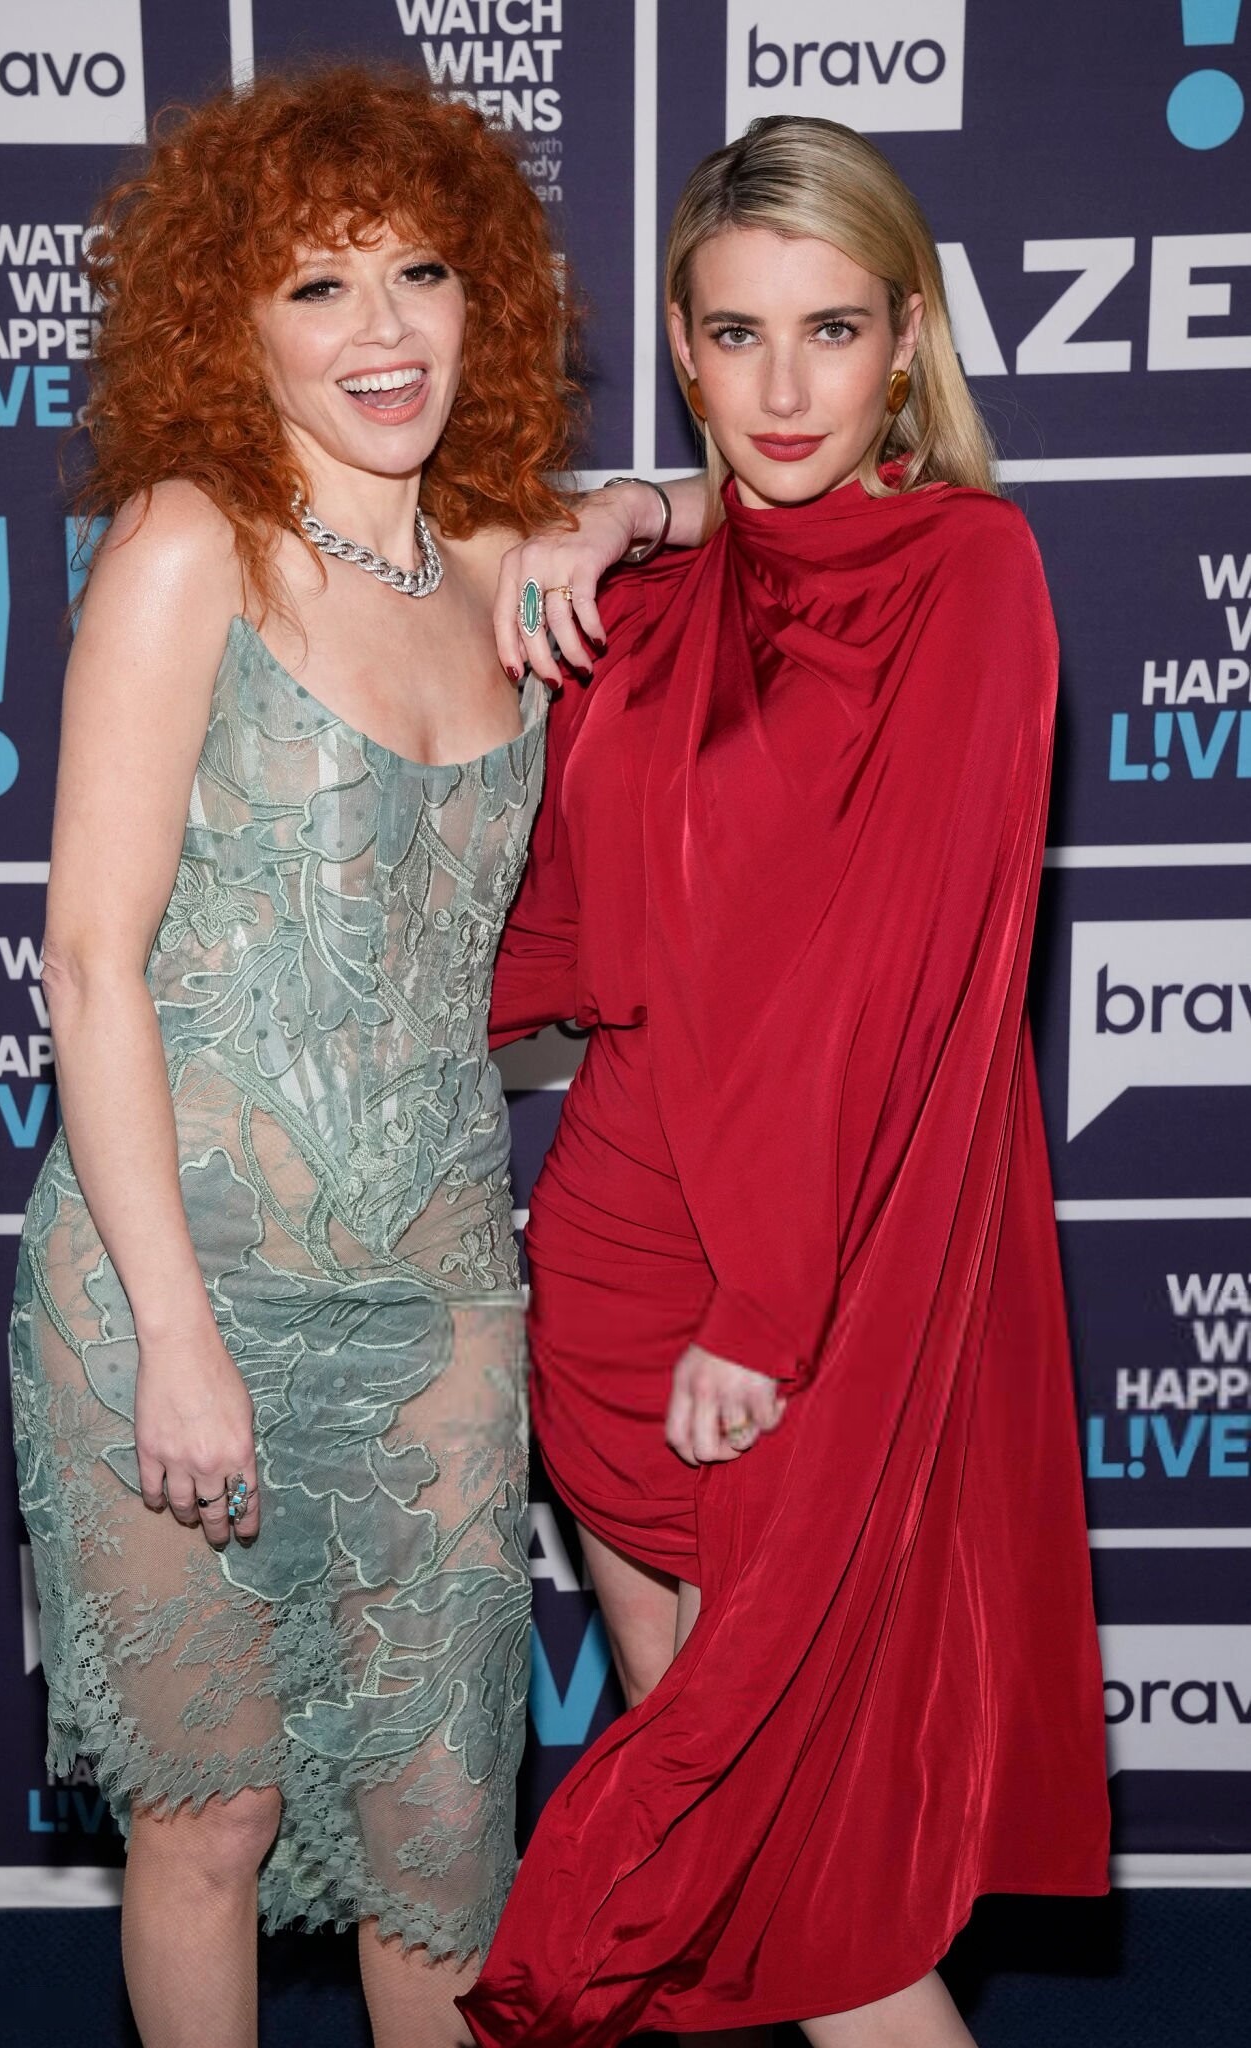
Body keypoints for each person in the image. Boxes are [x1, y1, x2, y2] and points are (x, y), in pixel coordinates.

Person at [7, 66, 693, 2048]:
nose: (380, 329)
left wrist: (630, 504)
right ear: (233, 323)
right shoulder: (188, 546)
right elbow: (89, 964)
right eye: (317, 286)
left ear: (485, 300)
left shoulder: (506, 558)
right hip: (170, 1286)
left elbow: (802, 489)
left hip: (438, 1303)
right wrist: (174, 1337)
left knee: (442, 1840)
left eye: (420, 273)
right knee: (208, 1818)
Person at [462, 116, 1111, 2048]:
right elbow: (562, 941)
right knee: (714, 1873)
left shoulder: (971, 578)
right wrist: (629, 516)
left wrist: (765, 1307)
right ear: (680, 344)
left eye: (830, 330)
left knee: (805, 1886)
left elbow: (890, 981)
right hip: (611, 1261)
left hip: (799, 1291)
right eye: (735, 334)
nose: (782, 388)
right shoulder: (649, 596)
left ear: (906, 338)